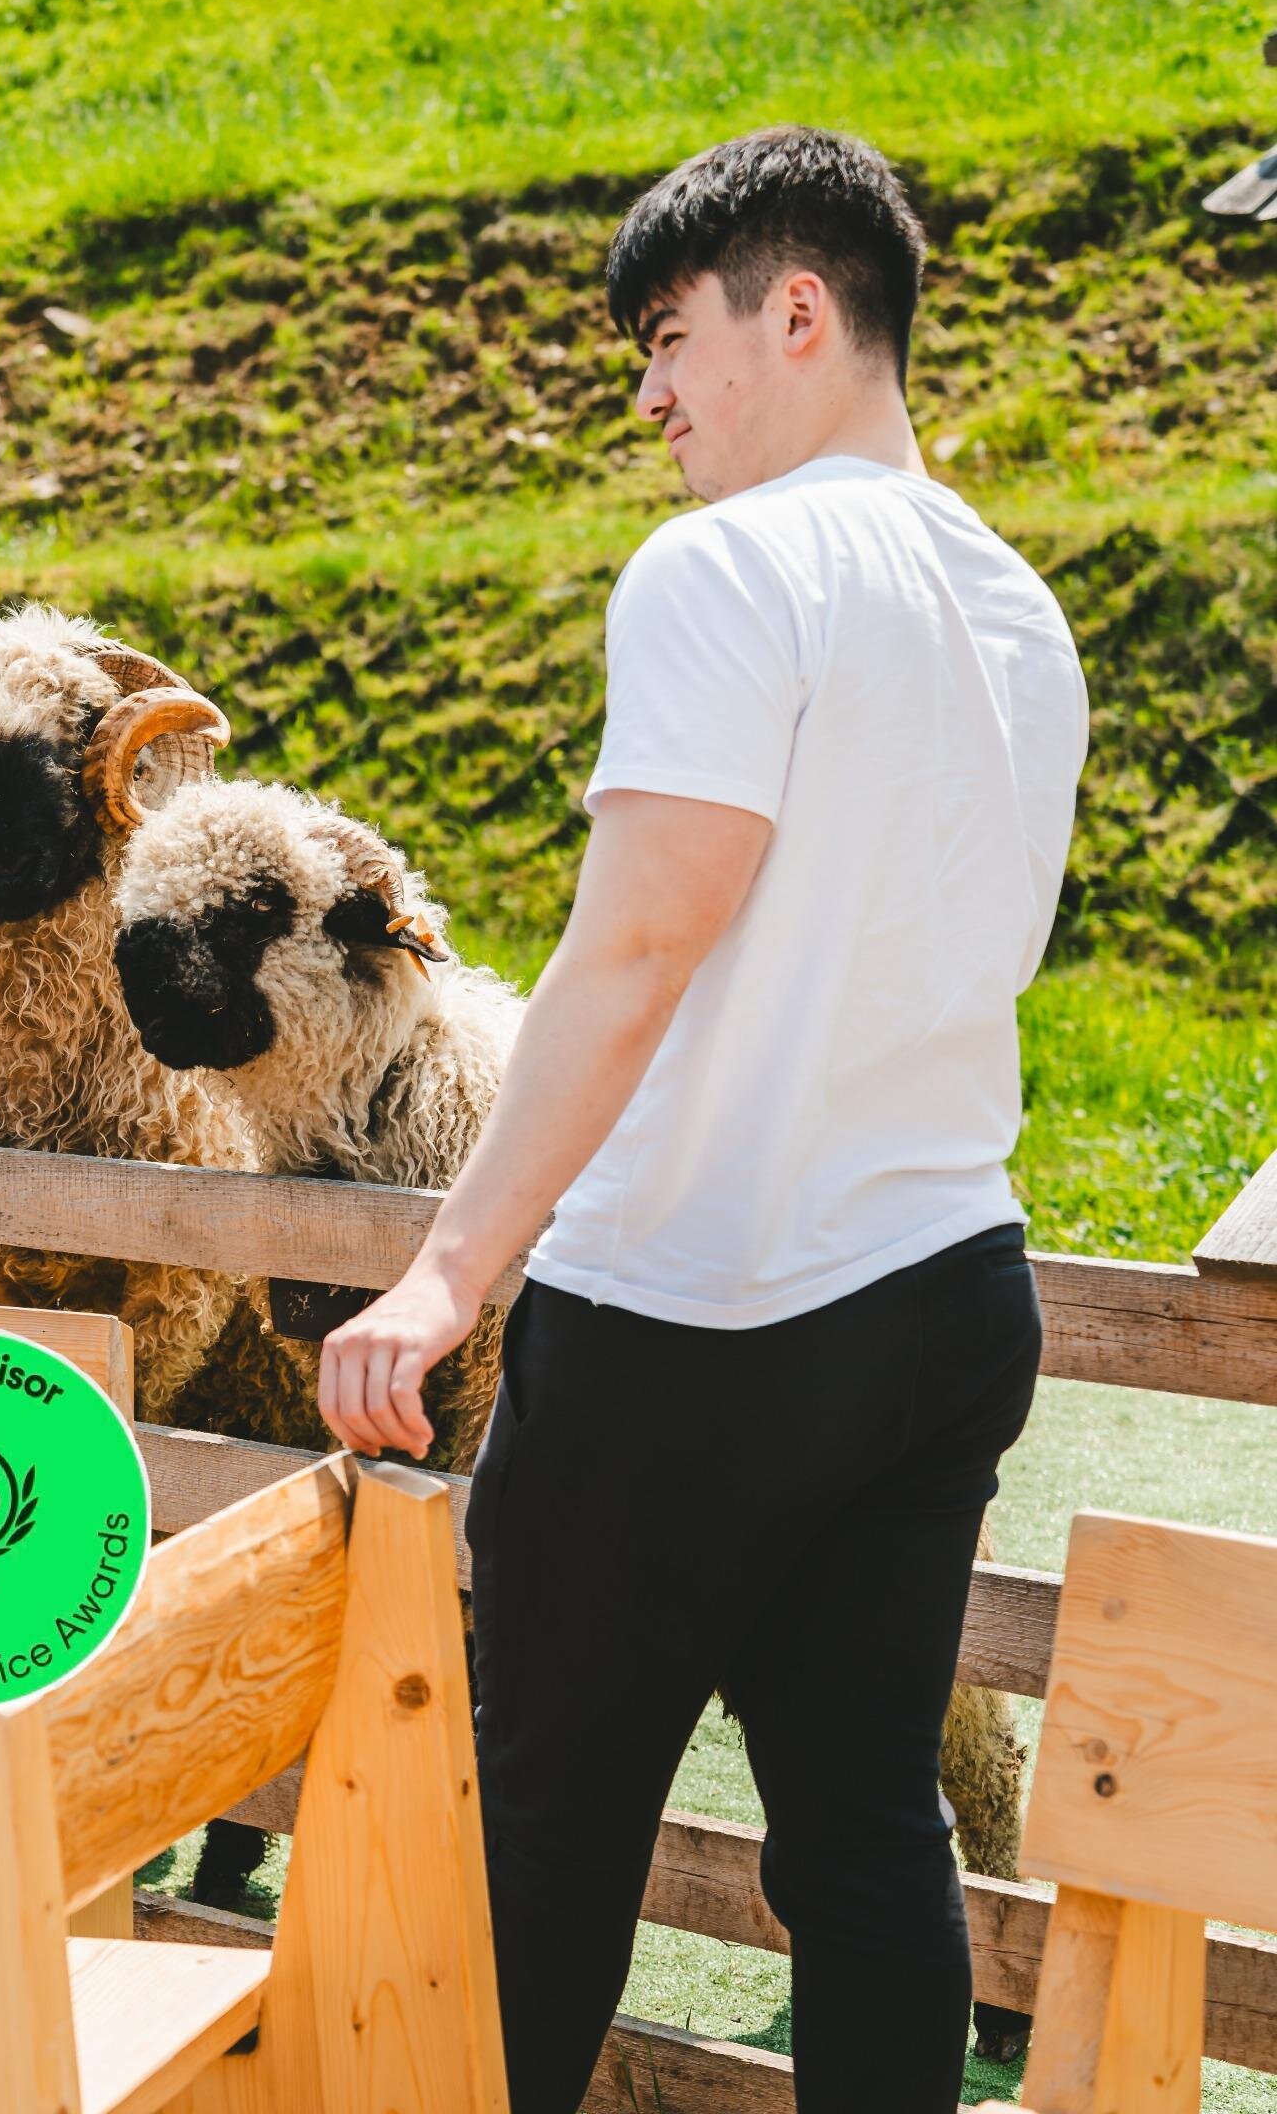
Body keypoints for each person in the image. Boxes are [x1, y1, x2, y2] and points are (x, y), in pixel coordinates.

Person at [314, 128, 1086, 2111]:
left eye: (669, 338)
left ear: (797, 311)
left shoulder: (728, 567)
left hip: (700, 1316)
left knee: (539, 1830)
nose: (650, 395)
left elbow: (641, 943)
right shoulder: (1017, 609)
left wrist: (446, 1273)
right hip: (947, 1293)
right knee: (867, 1835)